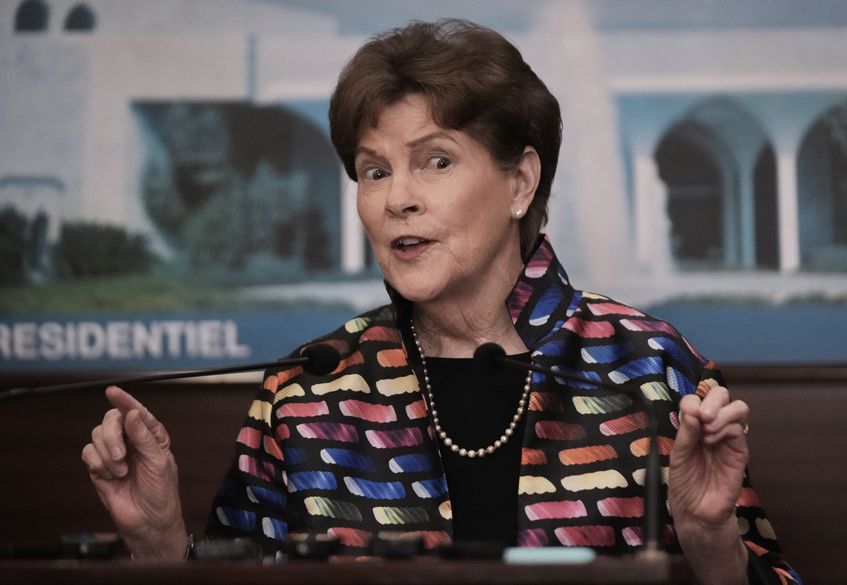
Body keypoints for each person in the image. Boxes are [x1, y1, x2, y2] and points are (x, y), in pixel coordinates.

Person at [82, 19, 801, 585]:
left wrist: (712, 545)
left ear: (520, 181)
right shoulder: (308, 392)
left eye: (437, 160)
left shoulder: (648, 368)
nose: (398, 198)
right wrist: (158, 542)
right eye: (374, 169)